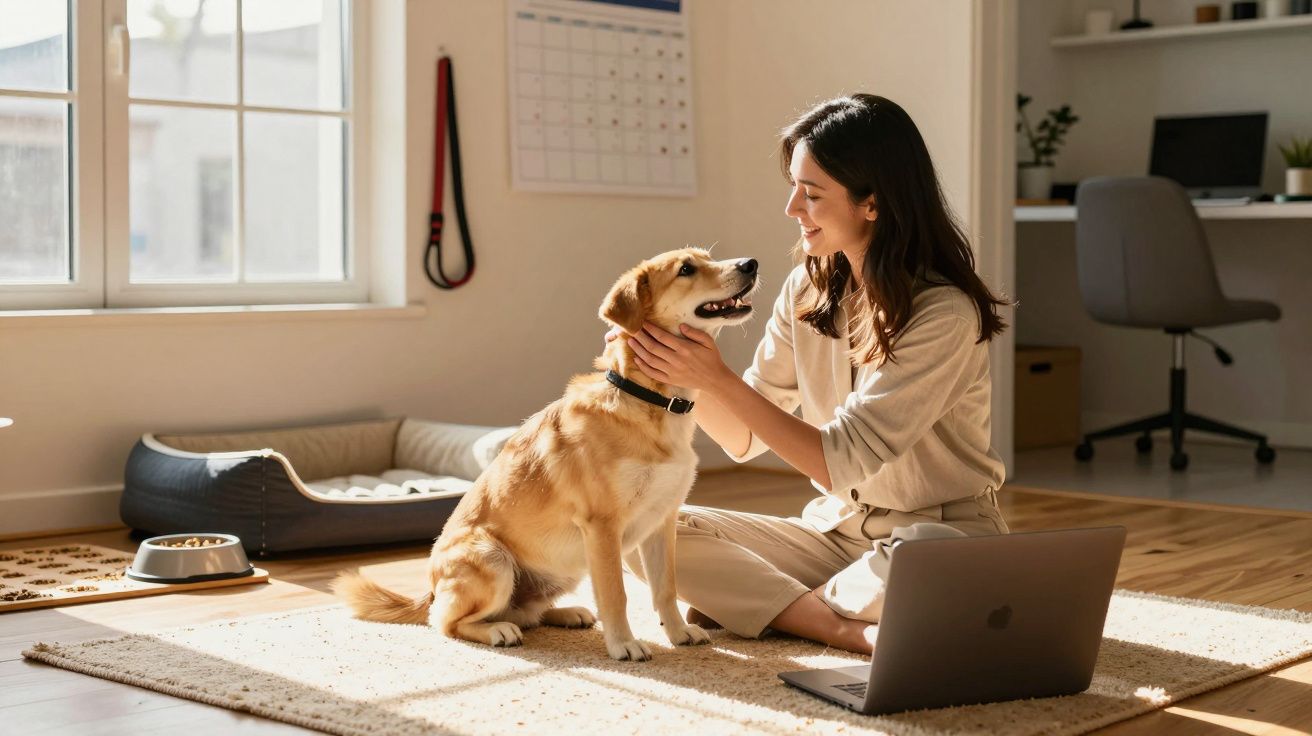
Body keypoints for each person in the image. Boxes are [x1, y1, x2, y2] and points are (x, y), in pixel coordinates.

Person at [609, 94, 1012, 654]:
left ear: (872, 203)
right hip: (832, 532)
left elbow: (838, 458)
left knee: (929, 573)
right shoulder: (806, 290)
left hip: (938, 536)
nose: (792, 207)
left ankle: (777, 604)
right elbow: (742, 439)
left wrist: (716, 378)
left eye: (812, 193)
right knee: (638, 526)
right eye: (793, 186)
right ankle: (833, 621)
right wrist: (677, 369)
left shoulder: (944, 314)